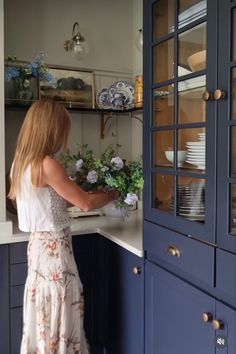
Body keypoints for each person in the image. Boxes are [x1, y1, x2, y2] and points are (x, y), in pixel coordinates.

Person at [9, 98, 115, 354]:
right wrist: (113, 194)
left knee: (43, 320)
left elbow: (52, 203)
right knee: (61, 316)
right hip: (56, 253)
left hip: (37, 251)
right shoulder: (47, 164)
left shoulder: (20, 164)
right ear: (51, 129)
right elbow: (87, 203)